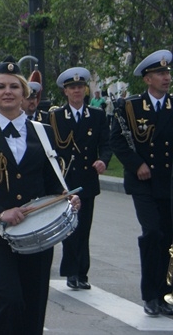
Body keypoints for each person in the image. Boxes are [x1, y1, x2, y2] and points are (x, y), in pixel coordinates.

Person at [0, 58, 81, 335]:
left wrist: (66, 200)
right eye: (1, 87)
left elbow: (54, 182)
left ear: (24, 93)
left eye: (14, 87)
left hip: (37, 235)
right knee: (7, 299)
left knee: (34, 303)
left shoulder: (44, 133)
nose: (8, 91)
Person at [110, 49, 173, 316]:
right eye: (160, 73)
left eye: (167, 72)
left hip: (168, 182)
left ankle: (164, 295)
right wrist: (137, 164)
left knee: (168, 238)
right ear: (147, 79)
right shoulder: (130, 107)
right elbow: (118, 141)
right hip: (143, 183)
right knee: (153, 234)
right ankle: (150, 295)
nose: (166, 77)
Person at [50, 67, 111, 291]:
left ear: (85, 89)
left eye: (79, 87)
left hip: (87, 178)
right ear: (65, 92)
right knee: (69, 227)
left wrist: (103, 160)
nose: (76, 91)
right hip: (66, 180)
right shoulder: (56, 117)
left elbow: (105, 143)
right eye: (72, 88)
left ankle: (82, 273)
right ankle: (70, 271)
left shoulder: (96, 115)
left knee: (84, 227)